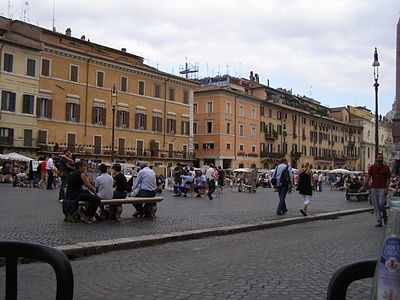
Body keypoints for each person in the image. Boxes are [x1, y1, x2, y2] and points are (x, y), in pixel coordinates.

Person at [360, 153, 391, 227]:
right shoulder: (372, 167)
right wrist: (363, 186)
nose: (381, 159)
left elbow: (388, 179)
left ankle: (384, 216)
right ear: (376, 158)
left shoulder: (386, 167)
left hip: (382, 188)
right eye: (379, 157)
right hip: (373, 188)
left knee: (381, 204)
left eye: (381, 157)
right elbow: (368, 177)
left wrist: (387, 188)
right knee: (376, 206)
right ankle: (379, 221)